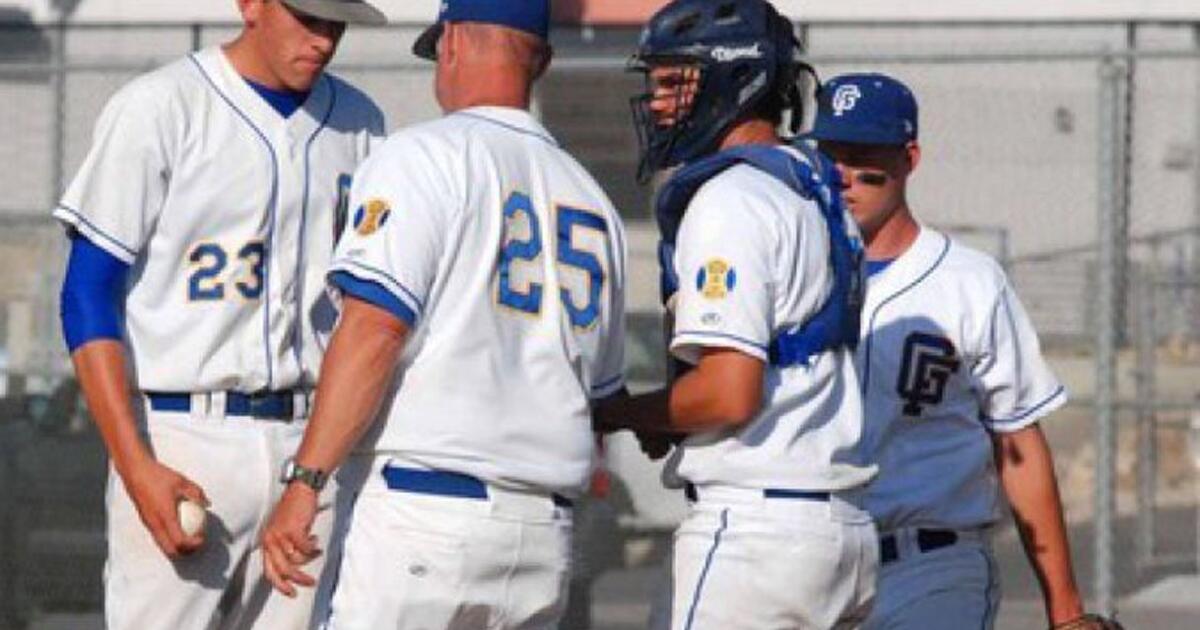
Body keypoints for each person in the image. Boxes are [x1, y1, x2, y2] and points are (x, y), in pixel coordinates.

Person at [258, 1, 627, 628]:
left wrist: (305, 482)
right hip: (544, 533)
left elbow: (375, 328)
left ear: (451, 42)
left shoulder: (424, 156)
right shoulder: (594, 200)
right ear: (543, 61)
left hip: (423, 515)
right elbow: (601, 395)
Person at [53, 1, 386, 627]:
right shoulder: (161, 106)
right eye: (308, 17)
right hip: (183, 435)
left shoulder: (361, 124)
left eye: (335, 23)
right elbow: (86, 293)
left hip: (307, 445)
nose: (323, 40)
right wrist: (136, 467)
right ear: (252, 4)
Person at [593, 1, 878, 628]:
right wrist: (671, 417)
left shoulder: (731, 199)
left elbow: (729, 394)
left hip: (756, 536)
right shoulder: (811, 187)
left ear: (734, 78)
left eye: (674, 80)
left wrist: (616, 413)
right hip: (840, 529)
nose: (659, 101)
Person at [805, 72, 1117, 630]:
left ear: (908, 158)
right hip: (806, 563)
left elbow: (1018, 439)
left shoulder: (968, 282)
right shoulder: (791, 271)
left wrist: (1065, 611)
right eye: (830, 155)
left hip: (931, 564)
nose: (845, 176)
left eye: (863, 155)